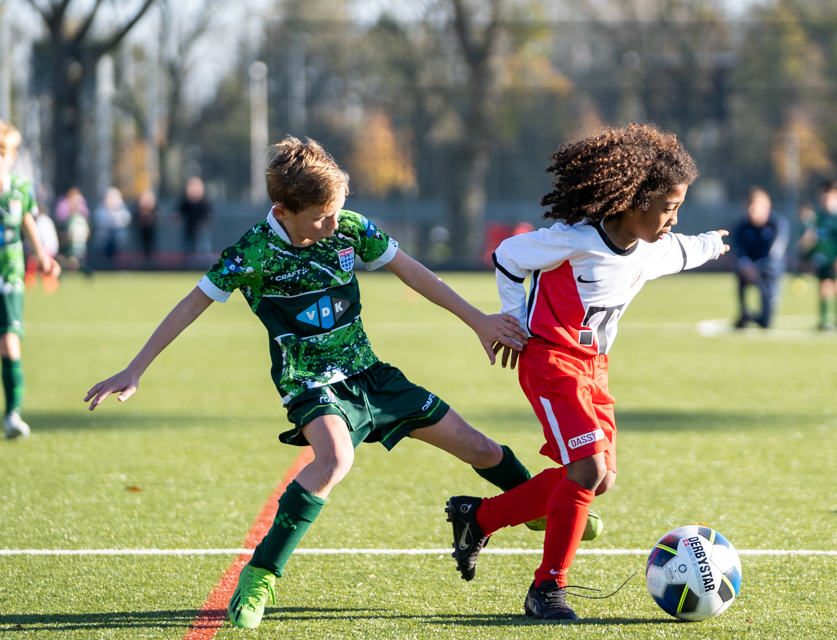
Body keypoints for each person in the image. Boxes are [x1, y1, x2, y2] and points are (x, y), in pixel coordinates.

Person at [84, 136, 540, 630]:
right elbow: (192, 304)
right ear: (283, 211)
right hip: (308, 379)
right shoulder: (252, 252)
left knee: (479, 446)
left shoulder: (346, 227)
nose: (332, 224)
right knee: (334, 458)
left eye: (336, 212)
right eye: (321, 217)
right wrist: (136, 367)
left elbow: (411, 271)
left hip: (369, 372)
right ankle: (260, 575)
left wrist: (478, 320)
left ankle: (541, 504)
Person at [445, 123, 729, 621]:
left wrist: (712, 243)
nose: (673, 219)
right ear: (632, 201)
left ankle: (479, 517)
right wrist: (513, 321)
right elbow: (509, 257)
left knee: (600, 480)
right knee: (588, 468)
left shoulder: (649, 248)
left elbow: (684, 251)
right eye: (668, 207)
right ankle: (546, 589)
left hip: (593, 369)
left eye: (678, 208)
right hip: (551, 362)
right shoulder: (574, 241)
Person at [0, 118, 62, 437]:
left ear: (12, 157)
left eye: (3, 154)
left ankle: (12, 416)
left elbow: (26, 221)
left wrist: (43, 257)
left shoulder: (20, 189)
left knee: (9, 345)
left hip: (8, 284)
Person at [798, 180, 837, 330]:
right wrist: (807, 252)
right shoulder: (819, 216)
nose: (826, 199)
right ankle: (823, 322)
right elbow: (814, 237)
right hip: (823, 257)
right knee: (824, 286)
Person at [732, 187, 789, 328]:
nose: (753, 210)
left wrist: (755, 267)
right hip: (749, 268)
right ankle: (744, 312)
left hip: (769, 270)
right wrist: (746, 265)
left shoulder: (776, 224)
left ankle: (762, 312)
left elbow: (775, 253)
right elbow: (739, 251)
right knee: (740, 274)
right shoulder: (742, 227)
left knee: (766, 323)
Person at [93, 187, 131, 265]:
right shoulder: (101, 208)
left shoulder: (122, 208)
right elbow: (98, 220)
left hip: (118, 234)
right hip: (105, 234)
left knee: (119, 238)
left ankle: (119, 263)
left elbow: (125, 220)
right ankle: (104, 263)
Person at [177, 176, 211, 261]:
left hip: (201, 228)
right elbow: (180, 212)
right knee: (188, 247)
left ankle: (204, 263)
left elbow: (208, 214)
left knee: (203, 247)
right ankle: (188, 264)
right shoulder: (186, 201)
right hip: (189, 227)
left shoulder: (204, 201)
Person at [135, 190, 158, 267]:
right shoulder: (137, 210)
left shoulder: (155, 210)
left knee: (151, 247)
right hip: (141, 233)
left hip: (151, 233)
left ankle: (152, 263)